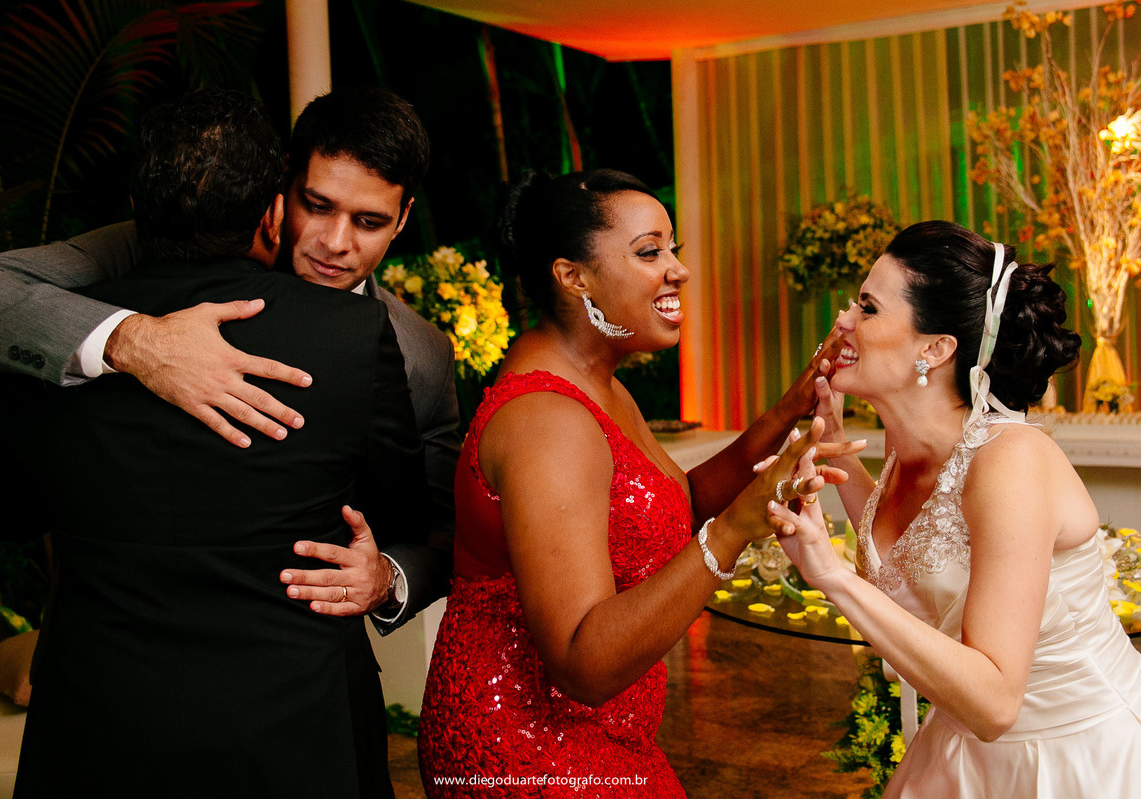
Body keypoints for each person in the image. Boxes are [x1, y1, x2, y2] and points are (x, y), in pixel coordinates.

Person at [8, 89, 427, 797]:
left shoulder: (52, 334)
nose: (334, 241)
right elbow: (399, 510)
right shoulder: (350, 337)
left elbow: (13, 512)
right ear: (273, 209)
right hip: (291, 727)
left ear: (136, 206)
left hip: (94, 725)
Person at [0, 86, 461, 631]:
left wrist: (389, 577)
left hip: (292, 653)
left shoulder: (421, 353)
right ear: (281, 187)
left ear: (403, 217)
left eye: (369, 222)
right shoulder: (159, 240)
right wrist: (135, 340)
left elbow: (446, 531)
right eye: (317, 205)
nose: (334, 242)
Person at [416, 169, 861, 797]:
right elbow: (583, 661)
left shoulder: (597, 382)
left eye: (672, 249)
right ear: (573, 276)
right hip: (526, 747)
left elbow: (678, 503)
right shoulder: (548, 421)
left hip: (597, 733)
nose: (679, 270)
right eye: (650, 252)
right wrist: (736, 527)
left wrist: (790, 409)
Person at [765, 220, 1141, 798]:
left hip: (1072, 756)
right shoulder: (908, 449)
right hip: (961, 748)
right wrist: (832, 440)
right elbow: (910, 558)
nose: (842, 320)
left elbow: (995, 705)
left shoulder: (1010, 460)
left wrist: (832, 576)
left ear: (935, 349)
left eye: (868, 308)